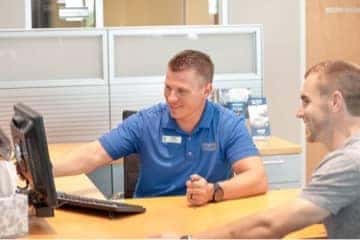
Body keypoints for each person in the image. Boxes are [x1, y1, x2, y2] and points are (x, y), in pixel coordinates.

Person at [54, 49, 268, 206]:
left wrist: (213, 191)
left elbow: (257, 178)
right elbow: (94, 154)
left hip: (205, 217)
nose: (171, 98)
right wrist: (41, 170)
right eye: (167, 87)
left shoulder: (228, 124)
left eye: (181, 91)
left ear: (206, 90)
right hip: (150, 217)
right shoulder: (147, 121)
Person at [186, 60, 360, 238]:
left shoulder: (348, 162)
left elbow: (268, 226)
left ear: (335, 102)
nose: (299, 113)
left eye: (306, 101)